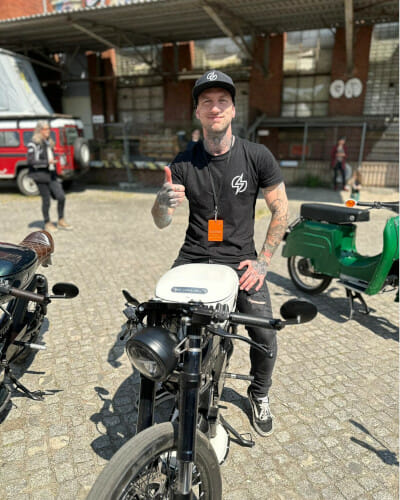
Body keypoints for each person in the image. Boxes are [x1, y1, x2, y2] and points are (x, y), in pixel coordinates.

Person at [151, 69, 289, 437]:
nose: (215, 108)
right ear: (197, 111)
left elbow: (282, 210)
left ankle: (259, 394)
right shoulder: (182, 163)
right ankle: (176, 385)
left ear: (232, 109)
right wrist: (162, 203)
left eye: (222, 101)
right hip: (193, 256)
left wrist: (263, 262)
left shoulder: (257, 156)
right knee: (162, 322)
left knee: (265, 337)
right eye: (207, 102)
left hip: (241, 260)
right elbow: (161, 222)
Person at [27, 120, 72, 232]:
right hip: (40, 175)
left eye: (48, 129)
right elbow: (31, 161)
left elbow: (50, 156)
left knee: (61, 196)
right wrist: (48, 162)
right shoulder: (33, 144)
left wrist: (56, 160)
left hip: (51, 174)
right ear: (39, 130)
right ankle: (47, 222)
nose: (48, 131)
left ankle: (61, 219)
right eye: (46, 129)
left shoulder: (49, 142)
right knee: (46, 200)